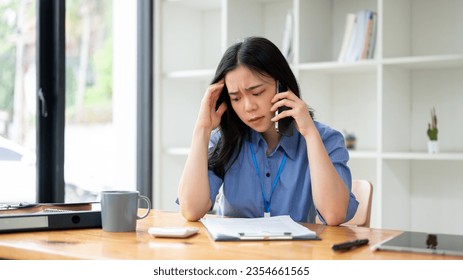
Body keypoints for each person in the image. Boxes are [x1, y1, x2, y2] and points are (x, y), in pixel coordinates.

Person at [177, 36, 358, 225]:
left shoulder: (325, 139)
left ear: (282, 85)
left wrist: (310, 134)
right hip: (235, 252)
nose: (248, 107)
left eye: (257, 93)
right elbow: (191, 209)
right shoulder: (224, 141)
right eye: (236, 98)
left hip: (295, 252)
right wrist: (202, 129)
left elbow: (334, 214)